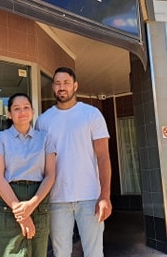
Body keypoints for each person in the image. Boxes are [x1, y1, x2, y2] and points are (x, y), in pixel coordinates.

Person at [35, 67, 112, 257]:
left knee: (94, 252)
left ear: (75, 86)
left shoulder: (92, 114)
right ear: (53, 87)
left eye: (66, 83)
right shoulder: (43, 121)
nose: (62, 87)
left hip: (90, 197)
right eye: (58, 83)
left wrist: (105, 196)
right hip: (56, 199)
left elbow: (103, 157)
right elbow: (40, 163)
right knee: (61, 253)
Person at [0, 93, 56, 257]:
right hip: (9, 200)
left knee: (38, 253)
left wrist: (32, 204)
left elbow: (50, 175)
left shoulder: (45, 138)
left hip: (38, 199)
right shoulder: (0, 138)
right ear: (9, 114)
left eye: (26, 107)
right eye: (16, 108)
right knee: (11, 253)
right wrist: (22, 214)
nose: (22, 112)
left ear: (32, 111)